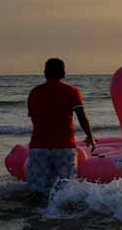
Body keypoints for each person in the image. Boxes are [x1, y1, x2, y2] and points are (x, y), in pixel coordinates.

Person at [26, 58, 95, 193]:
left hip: (39, 146)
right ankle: (62, 213)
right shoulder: (72, 91)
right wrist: (89, 136)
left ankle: (36, 213)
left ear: (45, 73)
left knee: (37, 189)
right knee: (67, 188)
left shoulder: (35, 92)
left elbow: (34, 119)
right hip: (64, 147)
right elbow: (81, 115)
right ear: (63, 73)